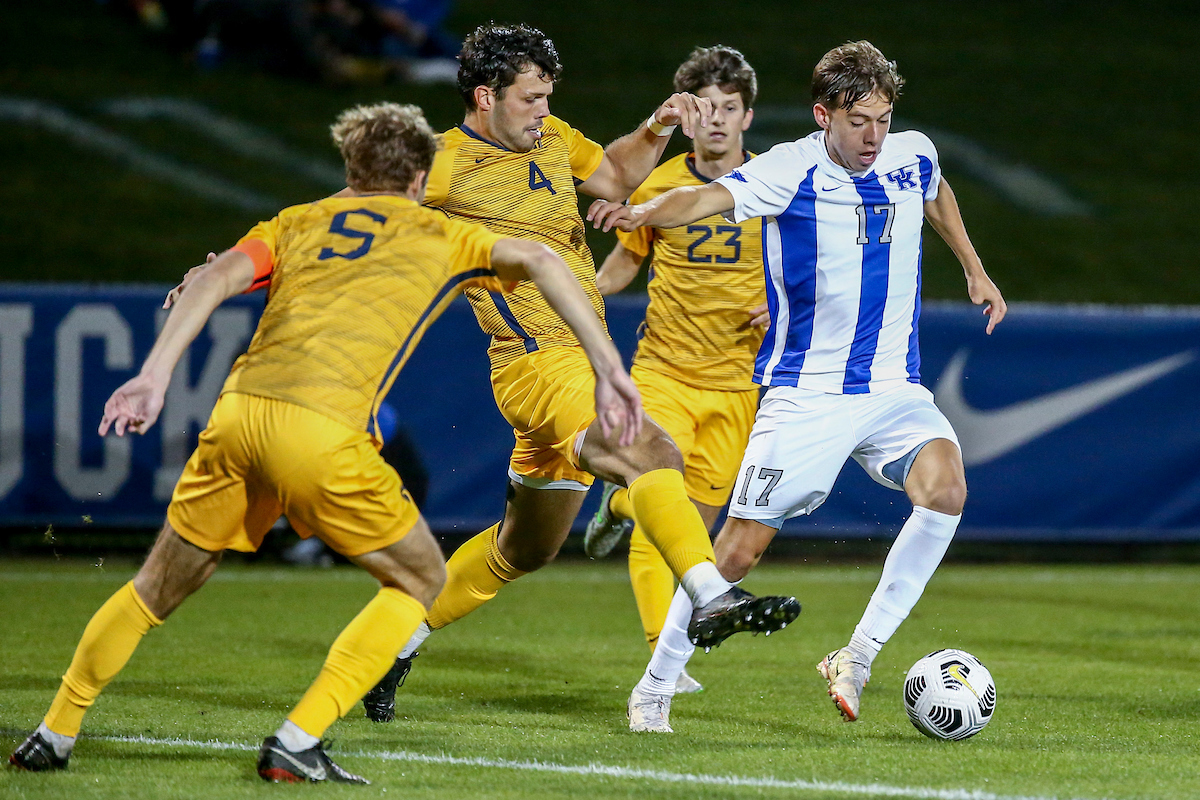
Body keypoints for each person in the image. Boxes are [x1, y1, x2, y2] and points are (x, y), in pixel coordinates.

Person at [8, 101, 642, 783]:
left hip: (237, 417)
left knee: (153, 588)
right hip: (319, 429)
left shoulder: (295, 222)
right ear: (421, 175)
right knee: (423, 578)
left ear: (350, 168)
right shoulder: (439, 232)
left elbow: (214, 277)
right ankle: (298, 739)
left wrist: (152, 376)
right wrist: (608, 369)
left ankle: (55, 731)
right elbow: (542, 259)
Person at [359, 23, 800, 726]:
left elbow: (618, 176)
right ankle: (711, 595)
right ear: (484, 96)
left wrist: (656, 126)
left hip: (571, 367)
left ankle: (391, 644)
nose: (543, 108)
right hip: (537, 361)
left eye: (546, 95)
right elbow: (358, 220)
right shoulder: (441, 163)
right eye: (531, 97)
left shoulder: (553, 137)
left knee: (523, 548)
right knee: (650, 451)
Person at [588, 40, 1008, 731]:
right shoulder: (791, 168)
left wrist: (974, 267)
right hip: (806, 394)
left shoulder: (912, 152)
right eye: (857, 122)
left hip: (892, 388)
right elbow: (705, 198)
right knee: (738, 549)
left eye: (882, 118)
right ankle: (655, 687)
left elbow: (937, 192)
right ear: (823, 116)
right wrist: (641, 213)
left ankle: (859, 655)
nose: (873, 136)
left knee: (946, 489)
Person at [584, 45, 767, 699]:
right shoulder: (656, 187)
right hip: (662, 369)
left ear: (748, 116)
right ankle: (660, 657)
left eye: (729, 108)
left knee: (699, 522)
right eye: (704, 109)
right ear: (685, 119)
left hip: (740, 383)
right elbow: (624, 265)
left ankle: (617, 503)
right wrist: (575, 307)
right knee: (661, 492)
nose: (716, 120)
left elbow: (811, 269)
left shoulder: (772, 186)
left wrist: (781, 302)